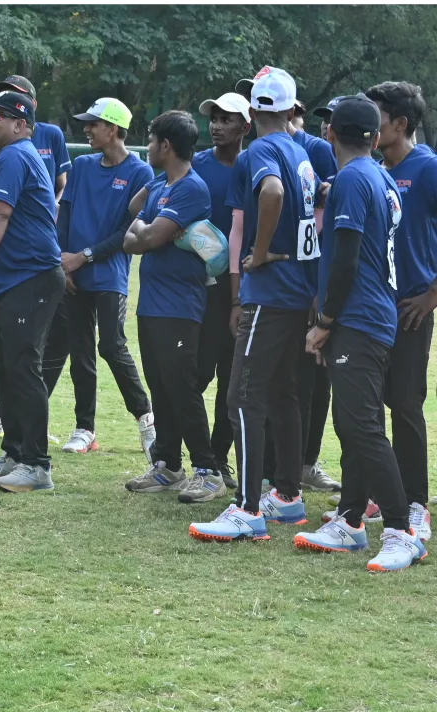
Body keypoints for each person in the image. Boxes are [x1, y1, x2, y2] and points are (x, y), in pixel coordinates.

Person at [294, 95, 426, 572]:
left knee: (362, 427)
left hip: (359, 318)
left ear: (330, 134)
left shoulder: (353, 178)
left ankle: (400, 530)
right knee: (355, 422)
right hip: (375, 315)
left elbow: (346, 260)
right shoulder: (380, 176)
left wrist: (324, 322)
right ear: (373, 137)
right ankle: (349, 520)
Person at [190, 68, 321, 543]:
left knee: (243, 397)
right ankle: (287, 495)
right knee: (284, 393)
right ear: (290, 109)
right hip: (297, 293)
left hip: (270, 293)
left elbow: (272, 192)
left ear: (252, 110)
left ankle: (247, 508)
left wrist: (260, 253)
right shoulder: (298, 149)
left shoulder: (261, 151)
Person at [0, 89, 65, 493]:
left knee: (23, 368)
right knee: (6, 367)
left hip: (32, 277)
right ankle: (14, 453)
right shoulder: (14, 156)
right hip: (14, 278)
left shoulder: (14, 156)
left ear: (21, 126)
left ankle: (37, 465)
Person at [121, 111, 225, 503]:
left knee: (181, 389)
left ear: (165, 146)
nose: (146, 148)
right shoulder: (162, 183)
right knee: (161, 388)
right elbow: (134, 225)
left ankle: (207, 470)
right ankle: (167, 465)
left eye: (150, 141)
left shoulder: (191, 188)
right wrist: (144, 231)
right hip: (151, 303)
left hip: (180, 306)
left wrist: (144, 234)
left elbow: (144, 239)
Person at [50, 97, 156, 459]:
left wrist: (84, 257)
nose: (87, 129)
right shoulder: (81, 166)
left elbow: (127, 231)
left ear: (113, 129)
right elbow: (64, 216)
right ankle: (84, 428)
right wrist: (62, 264)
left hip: (108, 273)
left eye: (94, 123)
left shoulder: (141, 173)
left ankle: (146, 418)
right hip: (72, 274)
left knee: (111, 345)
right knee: (80, 352)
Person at [366, 81, 437, 542]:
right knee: (368, 404)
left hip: (412, 306)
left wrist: (432, 295)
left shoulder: (428, 168)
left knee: (405, 403)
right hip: (372, 307)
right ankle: (383, 491)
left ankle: (416, 504)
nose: (370, 128)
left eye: (377, 118)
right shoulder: (373, 170)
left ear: (400, 124)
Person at [192, 92, 251, 487]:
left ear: (246, 126)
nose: (216, 125)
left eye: (227, 119)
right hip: (200, 290)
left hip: (244, 291)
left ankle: (218, 458)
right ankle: (188, 458)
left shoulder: (254, 165)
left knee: (233, 379)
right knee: (195, 374)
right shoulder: (196, 165)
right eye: (213, 118)